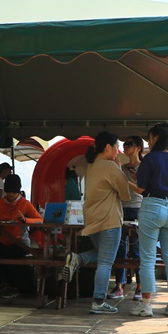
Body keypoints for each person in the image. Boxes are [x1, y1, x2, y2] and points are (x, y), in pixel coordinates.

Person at [61, 132, 132, 314]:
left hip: (91, 219)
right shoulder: (110, 166)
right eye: (116, 147)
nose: (118, 151)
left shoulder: (92, 166)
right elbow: (125, 193)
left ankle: (78, 258)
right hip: (109, 220)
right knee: (106, 262)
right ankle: (98, 301)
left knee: (103, 255)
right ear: (108, 147)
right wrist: (120, 168)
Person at [133, 123, 168, 318]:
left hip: (152, 207)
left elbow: (141, 187)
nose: (148, 141)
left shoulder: (149, 159)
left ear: (156, 138)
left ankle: (146, 305)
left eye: (150, 138)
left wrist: (129, 182)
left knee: (147, 258)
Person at [0, 174, 42, 296]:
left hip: (20, 242)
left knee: (6, 255)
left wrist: (25, 220)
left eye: (13, 192)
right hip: (3, 241)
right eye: (8, 192)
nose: (10, 195)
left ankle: (12, 286)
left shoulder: (25, 204)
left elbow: (40, 219)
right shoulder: (0, 203)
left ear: (18, 191)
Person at [110, 135, 144, 299]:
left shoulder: (144, 167)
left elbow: (141, 189)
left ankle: (140, 286)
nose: (125, 147)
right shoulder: (122, 168)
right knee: (120, 248)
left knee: (137, 249)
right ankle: (119, 285)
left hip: (138, 208)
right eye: (124, 144)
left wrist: (124, 177)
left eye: (128, 144)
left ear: (138, 147)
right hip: (122, 207)